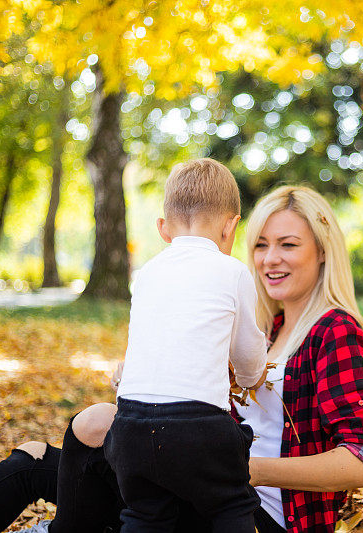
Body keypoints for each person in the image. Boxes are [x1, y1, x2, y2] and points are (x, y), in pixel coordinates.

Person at [0, 185, 363, 533]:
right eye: (260, 244)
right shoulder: (267, 329)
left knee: (104, 445)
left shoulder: (333, 332)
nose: (268, 259)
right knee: (44, 454)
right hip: (199, 478)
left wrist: (246, 469)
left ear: (322, 253)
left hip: (254, 511)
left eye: (288, 245)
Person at [107, 158, 267, 532]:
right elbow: (247, 359)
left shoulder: (145, 275)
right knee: (232, 503)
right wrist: (251, 377)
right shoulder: (233, 272)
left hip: (129, 425)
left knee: (145, 514)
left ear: (163, 229)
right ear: (231, 227)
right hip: (197, 428)